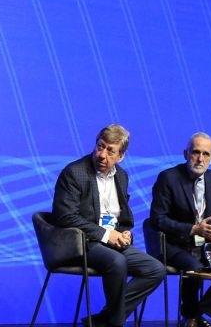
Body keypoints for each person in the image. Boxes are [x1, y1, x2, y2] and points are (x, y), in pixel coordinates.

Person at [52, 124, 165, 327]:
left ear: (120, 156)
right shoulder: (74, 173)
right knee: (117, 263)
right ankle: (115, 323)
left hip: (111, 242)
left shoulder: (121, 176)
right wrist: (106, 235)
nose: (102, 154)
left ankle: (105, 319)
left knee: (155, 269)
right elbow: (65, 216)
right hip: (82, 243)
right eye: (100, 146)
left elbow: (123, 218)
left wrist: (124, 233)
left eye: (110, 150)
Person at [149, 132, 211, 327]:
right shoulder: (168, 178)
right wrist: (193, 229)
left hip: (208, 247)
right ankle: (192, 316)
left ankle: (196, 314)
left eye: (206, 154)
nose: (200, 158)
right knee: (194, 267)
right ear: (185, 154)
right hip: (175, 245)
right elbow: (157, 219)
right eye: (195, 152)